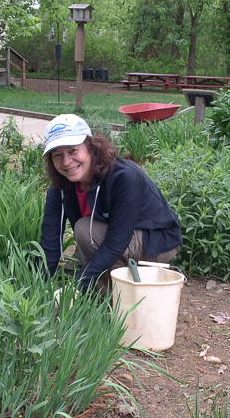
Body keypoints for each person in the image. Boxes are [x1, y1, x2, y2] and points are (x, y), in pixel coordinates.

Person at [39, 114, 182, 294]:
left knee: (85, 232)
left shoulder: (124, 177)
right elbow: (50, 242)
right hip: (110, 234)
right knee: (71, 272)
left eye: (73, 151)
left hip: (156, 241)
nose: (66, 162)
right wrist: (39, 286)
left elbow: (116, 243)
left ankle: (116, 304)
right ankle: (98, 290)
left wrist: (76, 286)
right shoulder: (60, 187)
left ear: (91, 148)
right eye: (57, 155)